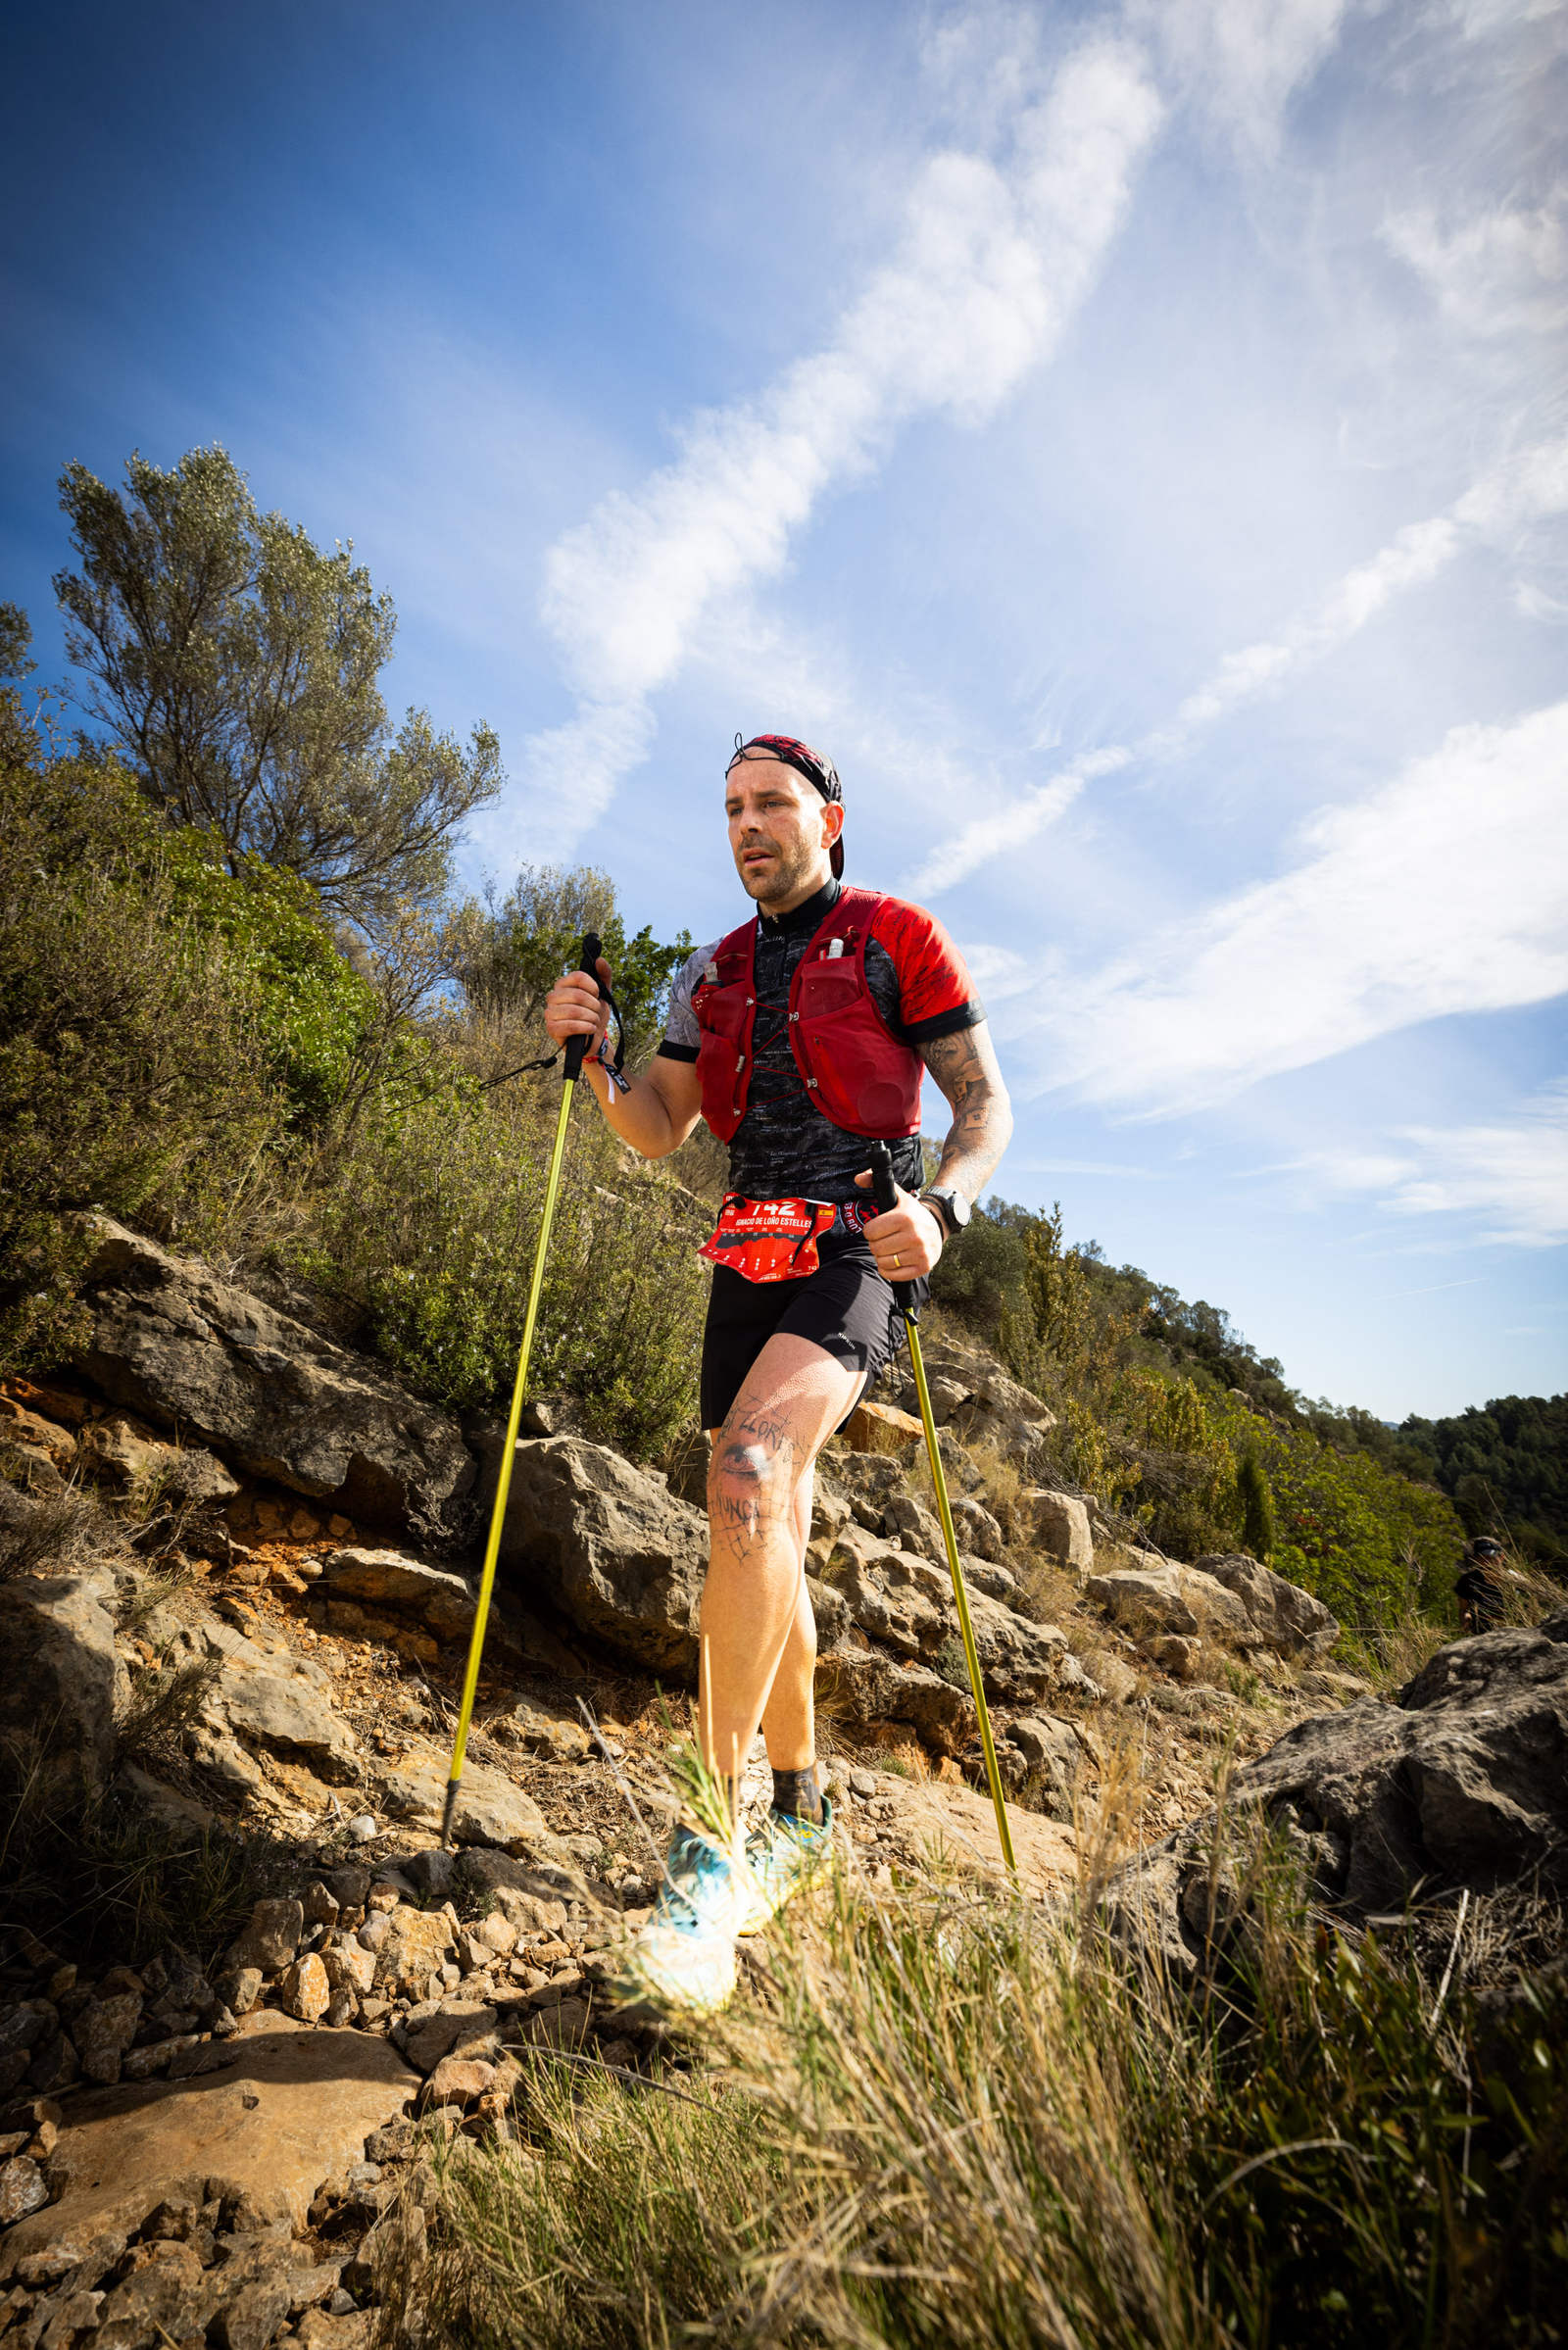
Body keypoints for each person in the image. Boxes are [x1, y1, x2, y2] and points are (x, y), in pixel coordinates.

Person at [543, 732, 1013, 2014]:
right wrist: (598, 1058)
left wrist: (947, 1210)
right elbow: (658, 1128)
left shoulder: (898, 937)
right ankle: (804, 1818)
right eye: (731, 808)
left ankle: (707, 1846)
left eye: (772, 803)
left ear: (829, 819)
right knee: (763, 1525)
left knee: (751, 1477)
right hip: (742, 1253)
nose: (748, 824)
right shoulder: (710, 973)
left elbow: (983, 1108)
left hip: (862, 1243)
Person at [1454, 1536, 1507, 1635]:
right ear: (1475, 1559)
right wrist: (1466, 1621)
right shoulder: (1467, 1580)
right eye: (1481, 1557)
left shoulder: (1515, 1581)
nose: (1486, 1561)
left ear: (1501, 1557)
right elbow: (1464, 1609)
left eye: (1490, 1556)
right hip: (1480, 1636)